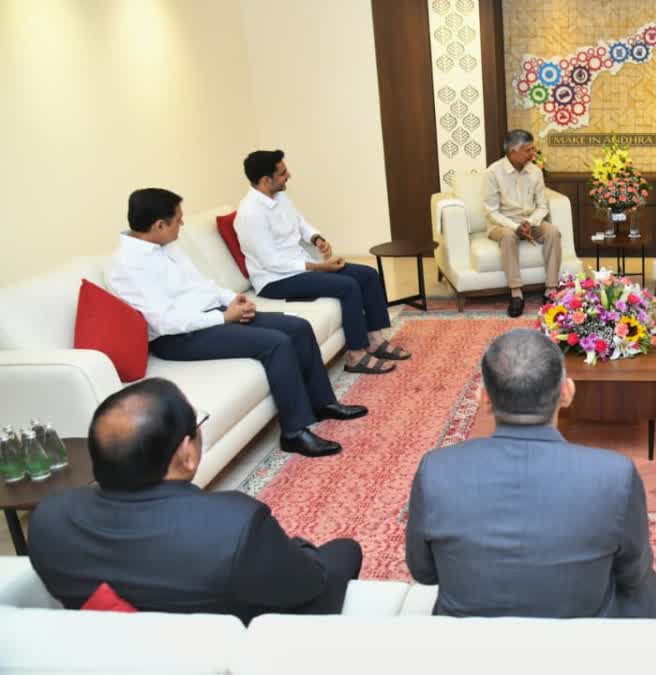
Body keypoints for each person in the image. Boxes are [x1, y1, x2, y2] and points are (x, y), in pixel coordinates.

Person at [28, 379, 363, 623]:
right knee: (345, 550)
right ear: (185, 455)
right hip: (240, 642)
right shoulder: (236, 524)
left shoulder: (49, 518)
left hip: (121, 645)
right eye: (197, 425)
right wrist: (301, 549)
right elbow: (308, 584)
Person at [405, 329, 656, 618]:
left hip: (472, 638)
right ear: (567, 392)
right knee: (647, 586)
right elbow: (632, 573)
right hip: (579, 636)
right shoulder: (616, 475)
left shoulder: (436, 469)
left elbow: (424, 572)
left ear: (483, 399)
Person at [109, 188, 366, 458]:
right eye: (178, 220)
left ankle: (323, 403)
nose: (182, 225)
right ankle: (294, 432)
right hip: (179, 337)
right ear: (159, 225)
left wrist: (235, 299)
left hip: (212, 314)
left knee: (298, 328)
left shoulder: (167, 246)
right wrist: (222, 317)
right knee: (276, 344)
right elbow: (165, 322)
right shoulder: (128, 266)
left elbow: (202, 284)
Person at [234, 149, 408, 375]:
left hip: (300, 266)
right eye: (283, 173)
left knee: (368, 274)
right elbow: (271, 262)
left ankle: (374, 339)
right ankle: (356, 355)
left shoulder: (280, 196)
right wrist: (318, 267)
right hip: (276, 280)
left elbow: (299, 222)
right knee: (347, 286)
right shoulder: (250, 214)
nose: (289, 175)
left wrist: (316, 238)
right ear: (266, 180)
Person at [483, 129, 563, 318]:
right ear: (513, 151)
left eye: (532, 149)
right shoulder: (493, 173)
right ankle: (516, 293)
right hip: (501, 224)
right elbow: (491, 211)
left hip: (530, 220)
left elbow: (542, 206)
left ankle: (551, 290)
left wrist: (530, 222)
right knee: (509, 236)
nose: (532, 154)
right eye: (528, 150)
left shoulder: (535, 172)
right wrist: (515, 227)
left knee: (553, 232)